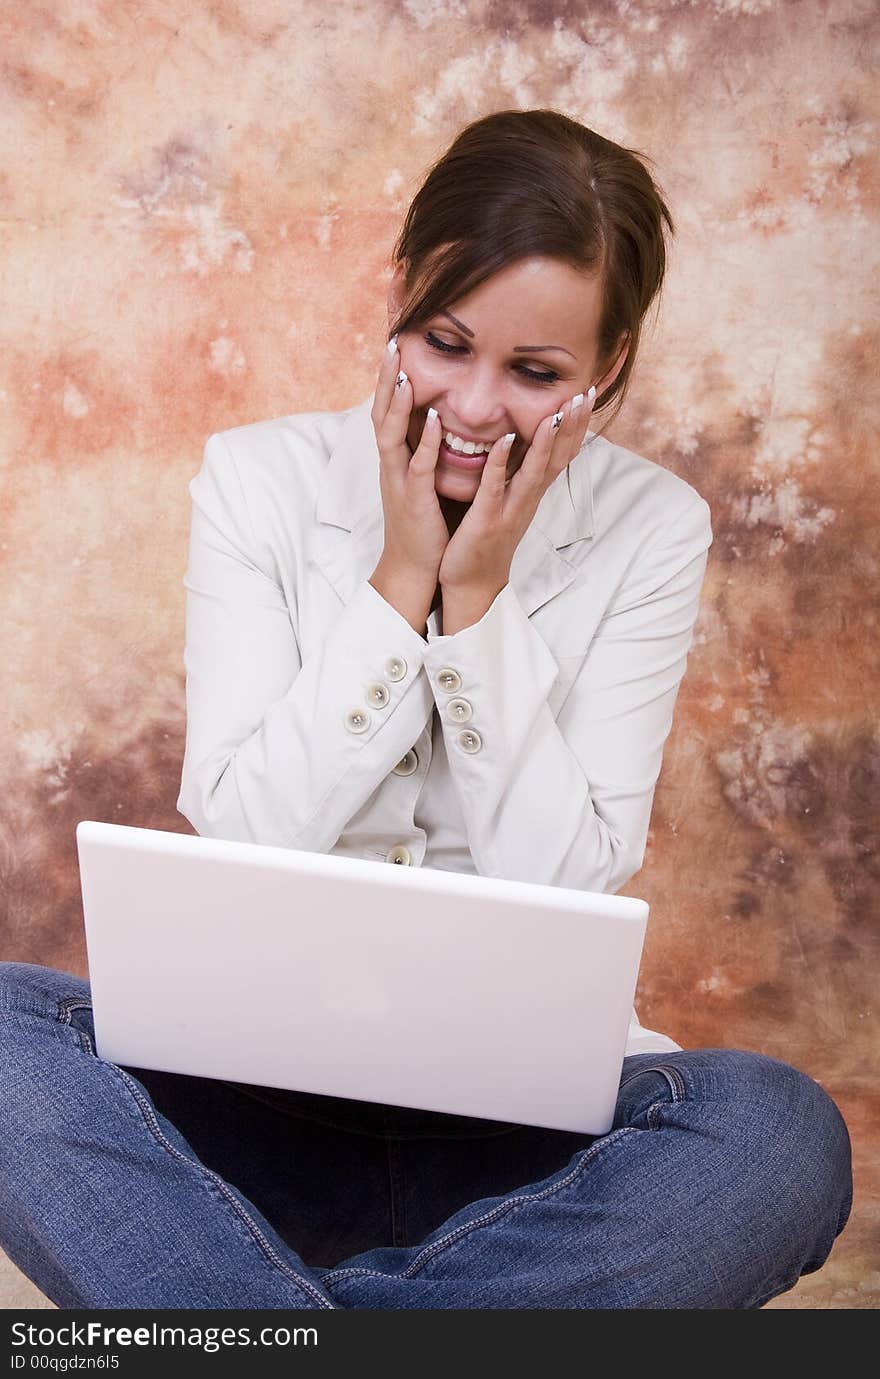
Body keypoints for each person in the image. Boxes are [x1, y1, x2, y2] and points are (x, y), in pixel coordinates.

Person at [0, 109, 851, 1309]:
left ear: (606, 367)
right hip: (237, 1117)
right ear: (399, 292)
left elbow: (568, 879)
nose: (471, 404)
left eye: (537, 373)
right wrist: (399, 592)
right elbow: (248, 833)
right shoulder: (260, 480)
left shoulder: (652, 527)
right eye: (445, 342)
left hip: (522, 1155)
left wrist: (482, 601)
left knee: (781, 1130)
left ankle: (250, 1317)